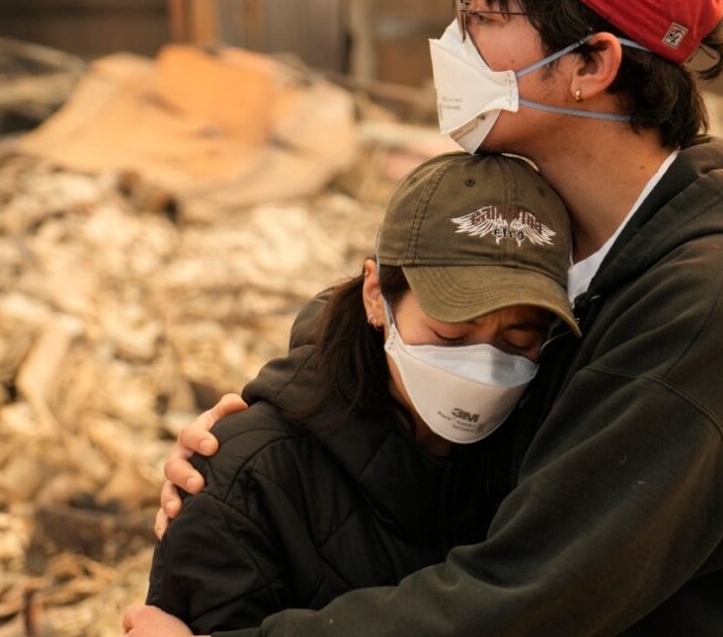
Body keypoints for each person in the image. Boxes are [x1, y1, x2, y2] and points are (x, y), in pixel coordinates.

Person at [126, 0, 723, 636]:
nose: (456, 43)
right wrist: (249, 454)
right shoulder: (580, 239)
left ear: (593, 64)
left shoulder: (704, 306)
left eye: (485, 15)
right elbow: (420, 307)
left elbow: (526, 601)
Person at [142, 152, 577, 632]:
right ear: (376, 294)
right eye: (450, 332)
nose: (485, 365)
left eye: (519, 338)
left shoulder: (548, 453)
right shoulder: (250, 481)